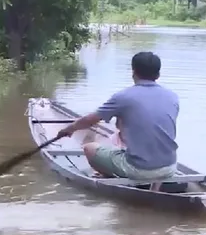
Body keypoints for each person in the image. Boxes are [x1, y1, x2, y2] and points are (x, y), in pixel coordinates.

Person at [57, 51, 179, 180]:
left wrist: (69, 129)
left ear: (133, 72)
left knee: (89, 148)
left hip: (139, 170)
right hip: (169, 167)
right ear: (158, 74)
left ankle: (110, 177)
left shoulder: (124, 96)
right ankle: (154, 188)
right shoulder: (173, 97)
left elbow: (90, 120)